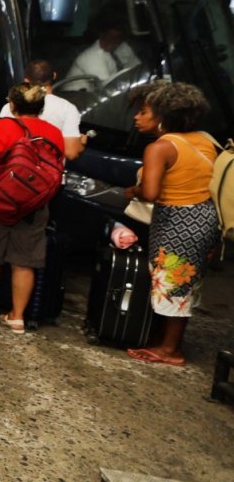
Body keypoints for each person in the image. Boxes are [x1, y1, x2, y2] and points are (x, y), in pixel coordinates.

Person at [121, 82, 219, 367]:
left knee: (174, 284)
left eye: (143, 112)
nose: (136, 118)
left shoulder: (160, 147)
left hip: (178, 221)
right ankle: (165, 342)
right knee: (183, 282)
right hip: (204, 218)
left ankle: (170, 350)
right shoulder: (205, 138)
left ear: (162, 116)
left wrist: (133, 191)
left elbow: (151, 193)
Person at [0, 83, 65, 334]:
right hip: (34, 204)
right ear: (41, 107)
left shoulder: (5, 126)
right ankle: (17, 317)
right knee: (24, 262)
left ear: (12, 105)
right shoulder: (54, 133)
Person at [0, 59, 85, 160]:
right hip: (48, 174)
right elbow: (71, 153)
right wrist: (81, 143)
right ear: (54, 75)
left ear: (26, 80)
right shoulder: (67, 108)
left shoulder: (11, 106)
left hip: (15, 171)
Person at [64, 23, 140, 90]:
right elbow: (109, 87)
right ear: (101, 35)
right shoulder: (92, 56)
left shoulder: (122, 48)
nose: (111, 43)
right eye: (108, 38)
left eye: (116, 40)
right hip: (77, 97)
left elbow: (137, 68)